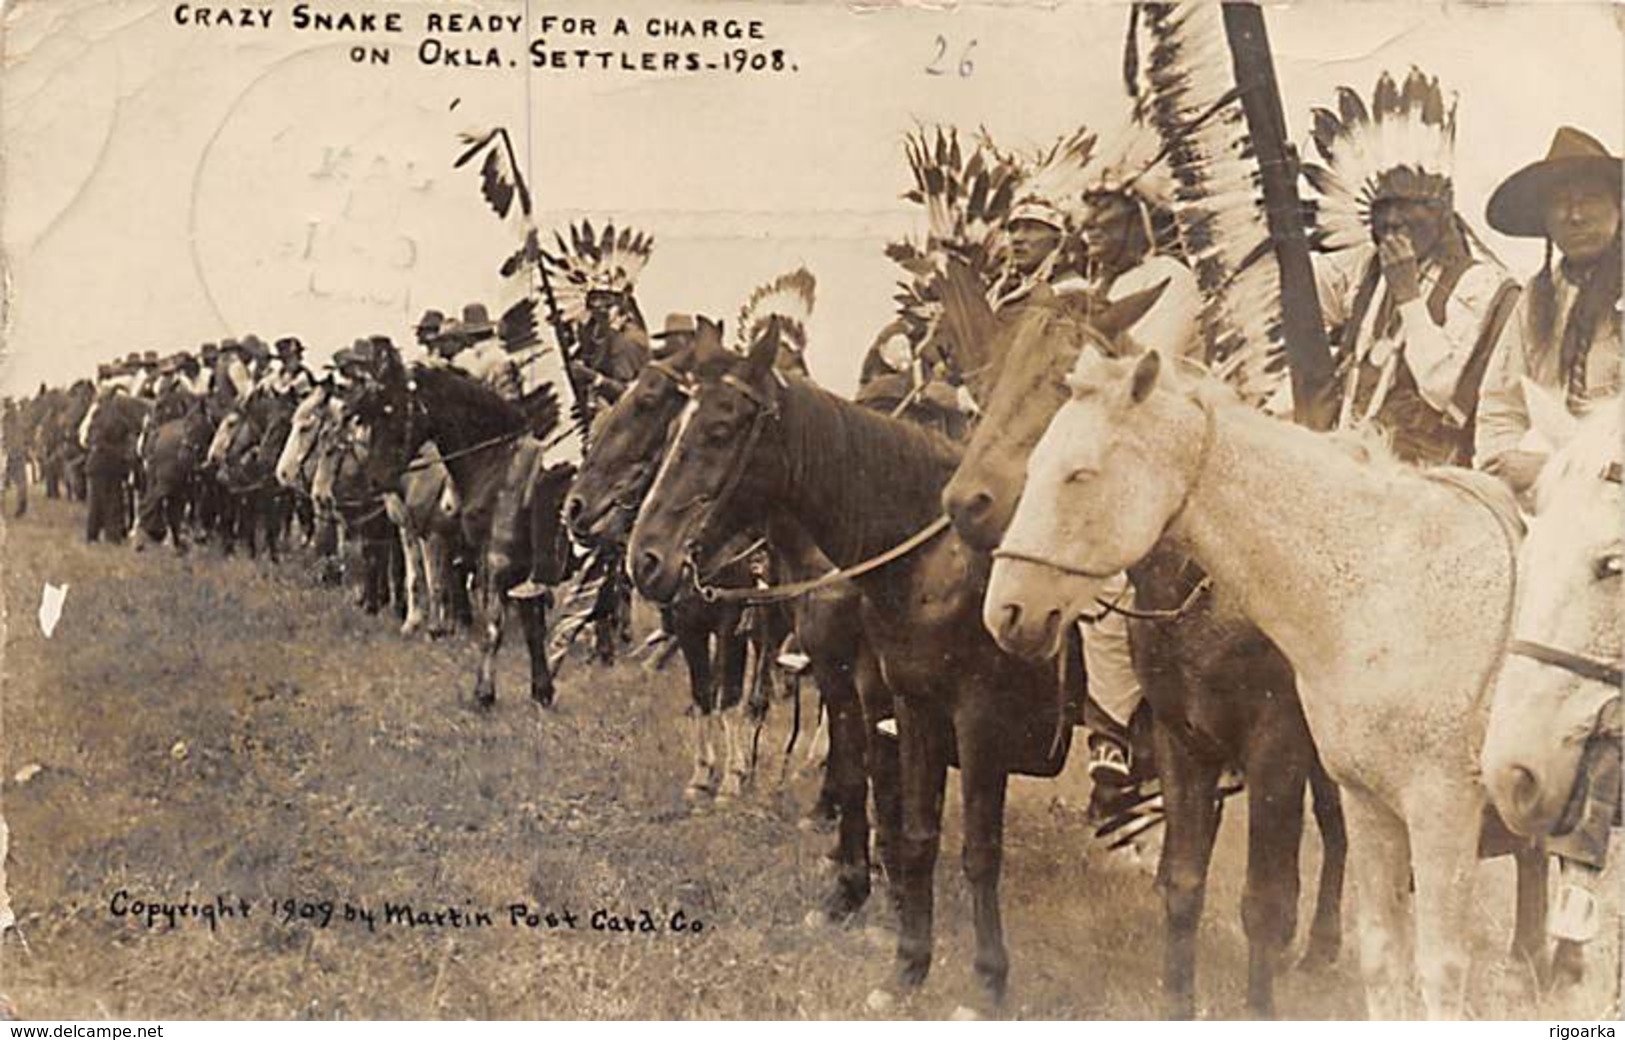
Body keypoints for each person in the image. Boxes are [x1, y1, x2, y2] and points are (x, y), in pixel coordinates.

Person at [1306, 69, 1522, 467]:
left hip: (1426, 485)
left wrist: (1408, 294)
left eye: (1407, 207)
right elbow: (1298, 299)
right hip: (1344, 465)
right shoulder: (1364, 269)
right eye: (1381, 208)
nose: (1392, 220)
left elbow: (1443, 390)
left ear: (1441, 213)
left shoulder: (1481, 284)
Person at [1476, 126, 1622, 496]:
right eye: (1560, 202)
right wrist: (1504, 467)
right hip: (1544, 501)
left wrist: (1562, 470)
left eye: (1589, 198)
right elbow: (1501, 404)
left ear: (1619, 207)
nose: (1574, 216)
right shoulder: (1537, 300)